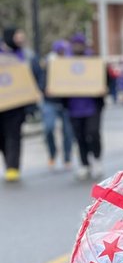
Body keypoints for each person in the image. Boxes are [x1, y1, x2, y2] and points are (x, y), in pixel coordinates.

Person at [66, 32, 106, 180]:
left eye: (79, 44)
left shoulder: (93, 60)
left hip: (92, 106)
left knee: (93, 132)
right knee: (80, 137)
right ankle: (84, 164)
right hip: (73, 106)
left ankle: (96, 158)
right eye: (74, 44)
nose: (77, 47)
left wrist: (103, 87)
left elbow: (105, 77)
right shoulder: (65, 63)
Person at [0, 27, 32, 183]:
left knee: (14, 136)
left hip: (17, 106)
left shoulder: (25, 55)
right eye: (17, 36)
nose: (20, 39)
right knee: (2, 137)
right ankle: (9, 163)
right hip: (2, 105)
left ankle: (13, 167)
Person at [41, 39, 75, 170]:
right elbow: (41, 79)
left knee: (68, 132)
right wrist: (45, 88)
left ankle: (67, 157)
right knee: (48, 128)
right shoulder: (49, 64)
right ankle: (52, 154)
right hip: (50, 101)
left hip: (66, 102)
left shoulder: (70, 63)